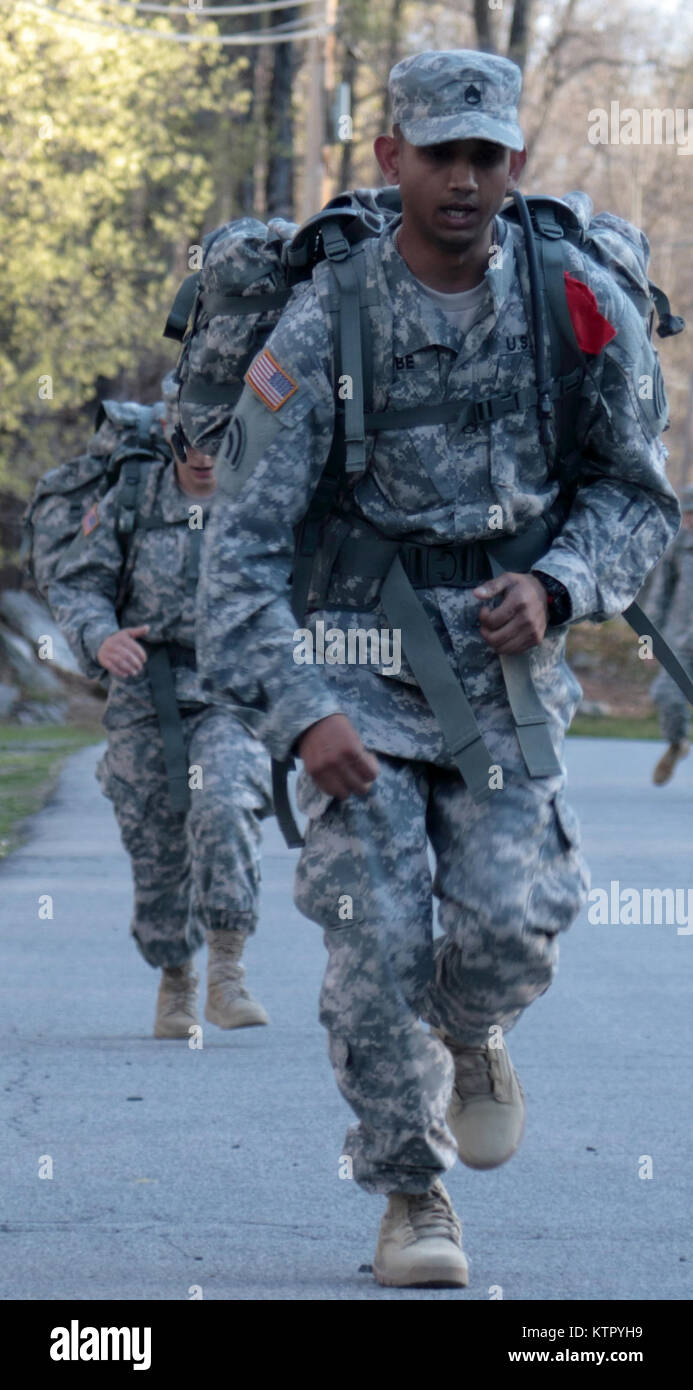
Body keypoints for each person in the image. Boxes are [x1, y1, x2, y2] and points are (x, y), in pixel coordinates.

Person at [195, 51, 679, 1286]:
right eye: (440, 153)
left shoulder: (571, 304)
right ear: (390, 158)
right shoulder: (328, 321)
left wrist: (560, 582)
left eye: (487, 155)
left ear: (515, 164)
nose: (463, 179)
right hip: (352, 667)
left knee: (513, 930)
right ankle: (413, 1197)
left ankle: (475, 1035)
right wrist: (301, 716)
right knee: (374, 952)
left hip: (506, 679)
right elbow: (239, 552)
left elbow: (637, 501)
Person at [47, 375, 273, 1039]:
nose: (202, 452)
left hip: (230, 694)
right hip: (145, 695)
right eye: (190, 437)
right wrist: (99, 635)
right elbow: (79, 584)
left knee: (224, 806)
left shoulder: (257, 500)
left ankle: (227, 972)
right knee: (155, 850)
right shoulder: (132, 497)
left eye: (216, 437)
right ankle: (175, 976)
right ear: (170, 433)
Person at [649, 484, 693, 784]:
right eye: (686, 515)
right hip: (680, 640)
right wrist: (647, 643)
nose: (689, 521)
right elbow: (659, 594)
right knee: (665, 694)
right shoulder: (679, 545)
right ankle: (677, 744)